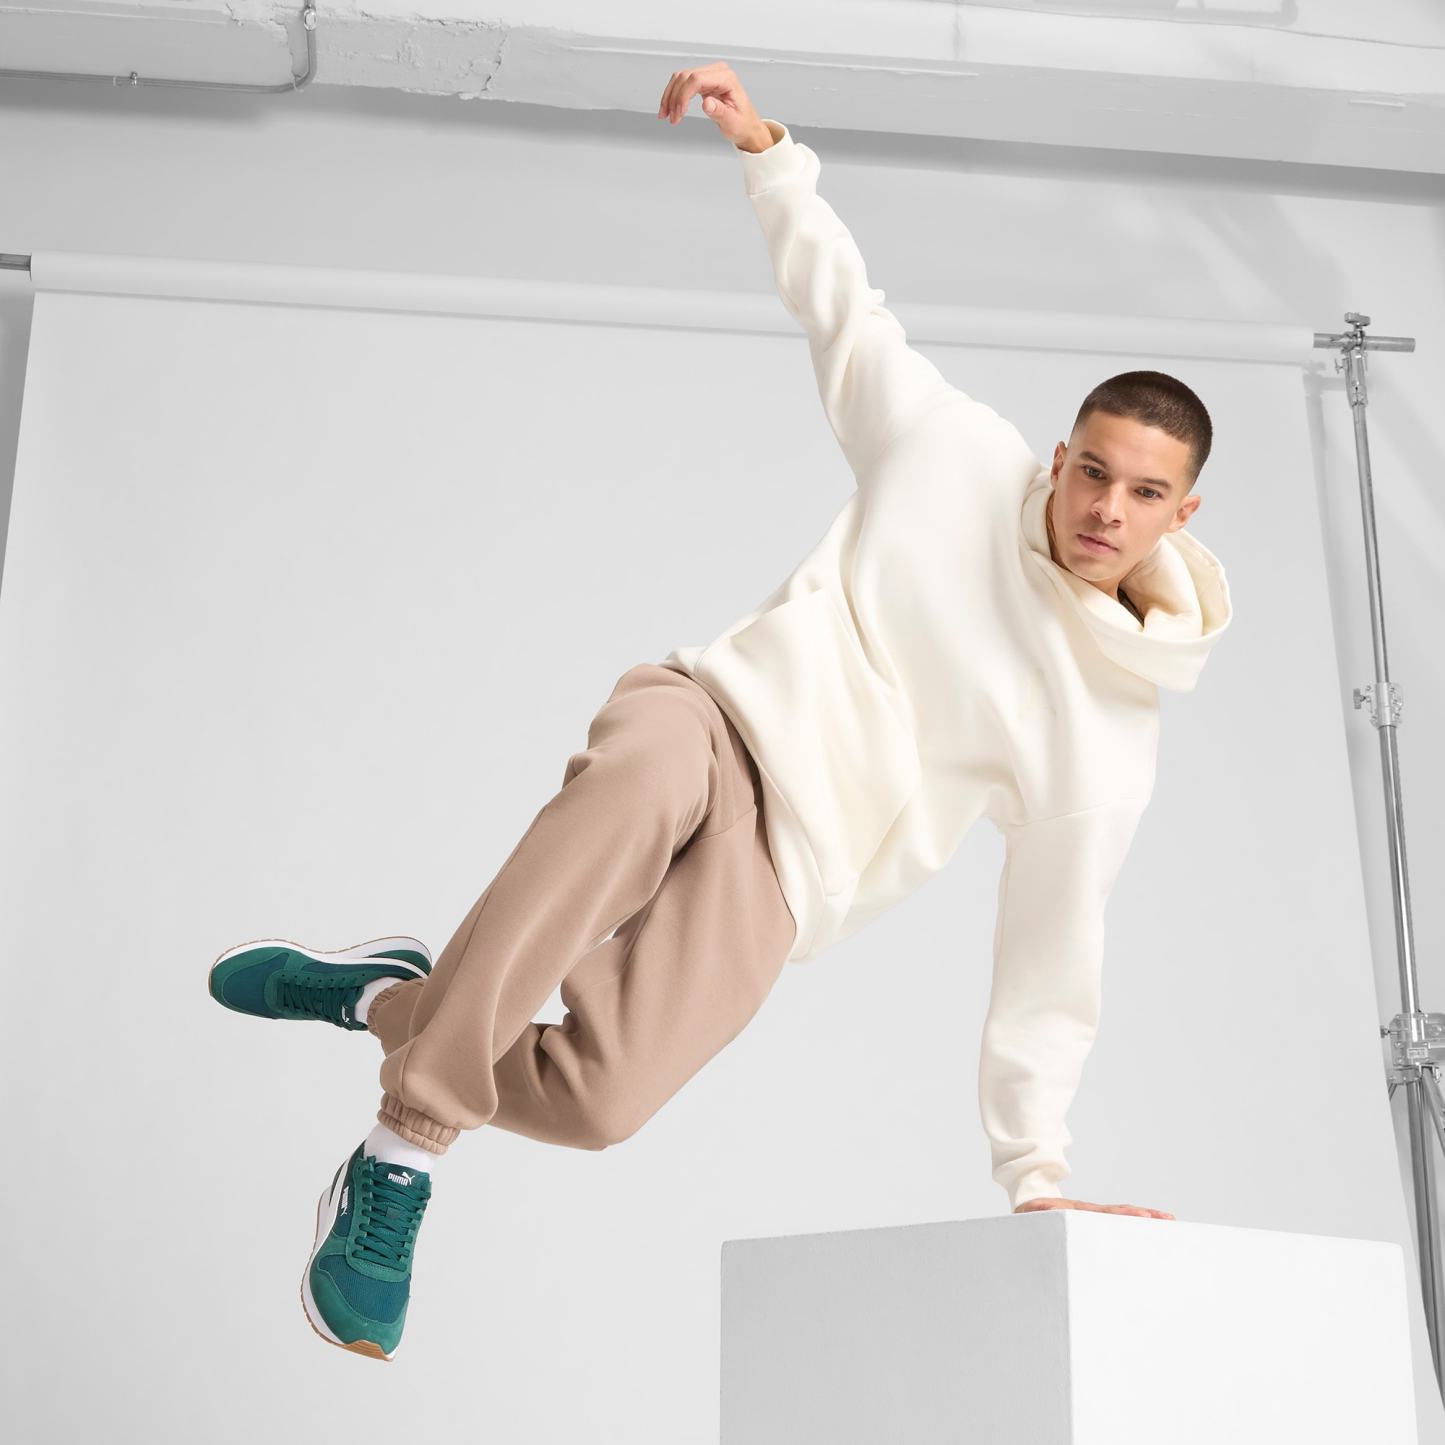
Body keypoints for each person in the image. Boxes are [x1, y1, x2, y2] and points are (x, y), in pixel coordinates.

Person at [208, 61, 1232, 1361]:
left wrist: (1036, 1170)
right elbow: (843, 307)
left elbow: (1053, 953)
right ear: (1060, 453)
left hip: (794, 873)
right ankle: (400, 1154)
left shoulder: (1109, 733)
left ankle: (388, 1001)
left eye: (1142, 493)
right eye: (1091, 470)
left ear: (1181, 513)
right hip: (715, 718)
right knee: (630, 789)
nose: (1103, 508)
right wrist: (768, 153)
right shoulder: (954, 452)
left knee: (600, 1100)